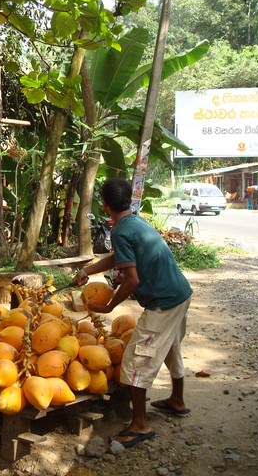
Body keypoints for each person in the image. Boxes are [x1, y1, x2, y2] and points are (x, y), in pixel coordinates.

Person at [72, 178, 193, 448]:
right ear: (129, 200)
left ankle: (140, 424)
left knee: (135, 361)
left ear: (105, 205)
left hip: (163, 302)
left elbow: (132, 280)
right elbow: (119, 258)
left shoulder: (121, 231)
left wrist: (109, 306)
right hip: (180, 294)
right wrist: (87, 270)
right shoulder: (134, 223)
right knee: (170, 347)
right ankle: (177, 401)